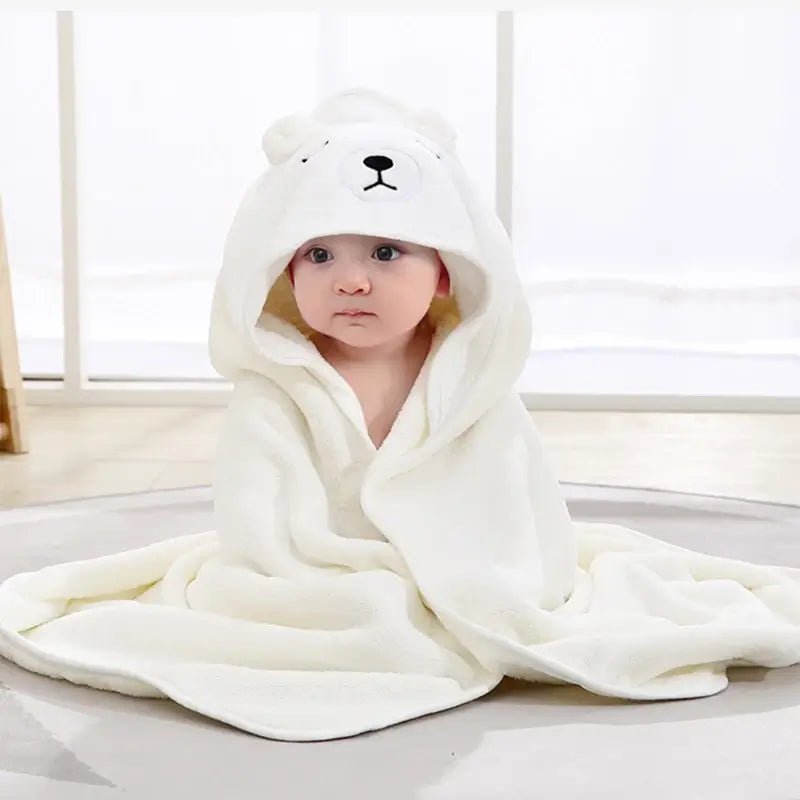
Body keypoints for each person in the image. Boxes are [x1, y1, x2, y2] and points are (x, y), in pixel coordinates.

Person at [285, 233, 451, 448]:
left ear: (444, 273)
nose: (350, 283)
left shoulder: (473, 374)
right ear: (291, 278)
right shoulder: (279, 377)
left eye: (385, 254)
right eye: (320, 255)